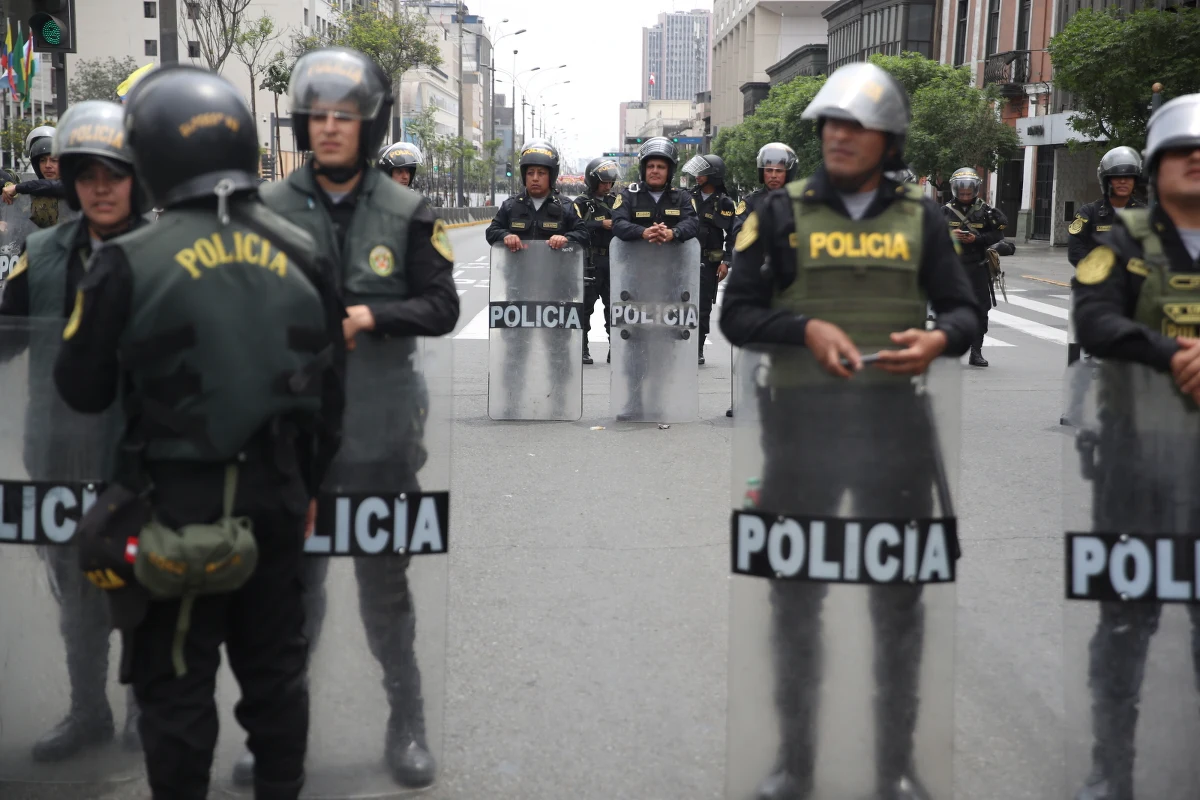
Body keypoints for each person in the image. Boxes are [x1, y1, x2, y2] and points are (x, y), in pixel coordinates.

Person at [51, 63, 346, 800]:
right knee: (277, 673)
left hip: (177, 503)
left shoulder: (125, 259)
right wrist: (307, 487)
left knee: (176, 685)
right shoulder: (305, 248)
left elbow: (81, 391)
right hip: (280, 493)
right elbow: (333, 392)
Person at [720, 61, 979, 800]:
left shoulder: (922, 217)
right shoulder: (776, 214)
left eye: (856, 125)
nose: (838, 135)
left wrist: (939, 339)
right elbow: (737, 315)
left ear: (888, 139)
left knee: (898, 602)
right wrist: (803, 329)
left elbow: (965, 312)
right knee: (794, 597)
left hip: (896, 433)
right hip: (799, 433)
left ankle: (894, 765)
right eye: (831, 123)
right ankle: (794, 763)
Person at [250, 46, 460, 790]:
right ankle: (275, 736)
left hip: (379, 436)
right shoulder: (267, 210)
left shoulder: (406, 211)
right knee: (289, 598)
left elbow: (443, 306)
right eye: (318, 117)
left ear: (368, 128)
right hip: (289, 439)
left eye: (345, 117)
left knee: (385, 595)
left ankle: (407, 726)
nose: (330, 129)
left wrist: (371, 315)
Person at [0, 99, 146, 764]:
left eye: (114, 172)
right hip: (57, 452)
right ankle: (88, 709)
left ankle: (146, 709)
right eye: (86, 172)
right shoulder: (39, 253)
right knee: (75, 588)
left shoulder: (167, 252)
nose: (100, 186)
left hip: (138, 459)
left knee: (140, 583)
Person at [1070, 92, 1200, 800]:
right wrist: (1171, 354)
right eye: (1183, 151)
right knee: (1125, 623)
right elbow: (1093, 320)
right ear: (1157, 165)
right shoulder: (1123, 241)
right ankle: (1109, 764)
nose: (1196, 162)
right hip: (1135, 465)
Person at [611, 137, 701, 421]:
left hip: (670, 285)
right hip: (635, 284)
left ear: (669, 170)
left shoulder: (682, 197)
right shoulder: (628, 195)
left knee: (664, 345)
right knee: (635, 343)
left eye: (661, 166)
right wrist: (643, 233)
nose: (655, 171)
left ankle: (660, 400)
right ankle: (634, 401)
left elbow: (693, 223)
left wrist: (673, 233)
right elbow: (617, 222)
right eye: (650, 166)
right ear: (643, 169)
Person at [941, 167, 1008, 367]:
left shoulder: (986, 211)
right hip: (951, 269)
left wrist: (977, 239)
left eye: (968, 193)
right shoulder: (943, 211)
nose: (965, 196)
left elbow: (998, 235)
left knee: (980, 310)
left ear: (976, 190)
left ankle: (976, 351)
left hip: (977, 268)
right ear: (955, 190)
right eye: (961, 193)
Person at [682, 153, 736, 364]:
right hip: (684, 260)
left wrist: (726, 262)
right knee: (679, 302)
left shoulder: (725, 203)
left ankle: (698, 347)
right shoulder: (686, 197)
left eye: (702, 173)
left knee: (703, 306)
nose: (697, 176)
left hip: (709, 263)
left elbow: (732, 235)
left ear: (713, 175)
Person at [574, 157, 621, 364]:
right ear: (593, 181)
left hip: (613, 261)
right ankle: (582, 348)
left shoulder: (616, 201)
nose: (607, 186)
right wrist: (600, 224)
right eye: (603, 182)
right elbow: (576, 228)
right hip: (589, 261)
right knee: (585, 308)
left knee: (615, 308)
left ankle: (617, 349)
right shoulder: (581, 203)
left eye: (610, 183)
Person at [1068, 146, 1145, 268]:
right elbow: (1075, 251)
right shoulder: (1088, 213)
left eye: (1129, 177)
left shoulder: (1145, 214)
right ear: (1107, 181)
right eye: (1117, 177)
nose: (1123, 181)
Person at [729, 142, 798, 256]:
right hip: (757, 264)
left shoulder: (798, 200)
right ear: (762, 172)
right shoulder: (750, 202)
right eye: (769, 170)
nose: (773, 175)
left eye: (779, 171)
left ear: (788, 173)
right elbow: (738, 235)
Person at [2, 125, 68, 227]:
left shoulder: (74, 184)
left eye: (54, 160)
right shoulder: (34, 191)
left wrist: (17, 188)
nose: (47, 166)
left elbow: (54, 186)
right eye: (42, 160)